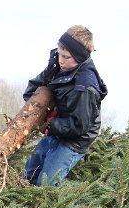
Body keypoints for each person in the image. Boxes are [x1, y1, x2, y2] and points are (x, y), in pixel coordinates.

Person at [22, 25, 108, 186]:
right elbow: (31, 90)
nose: (61, 60)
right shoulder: (58, 67)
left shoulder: (85, 87)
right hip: (56, 130)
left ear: (79, 57)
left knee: (46, 184)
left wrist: (49, 122)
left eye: (66, 57)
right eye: (60, 54)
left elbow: (79, 126)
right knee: (28, 175)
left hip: (73, 141)